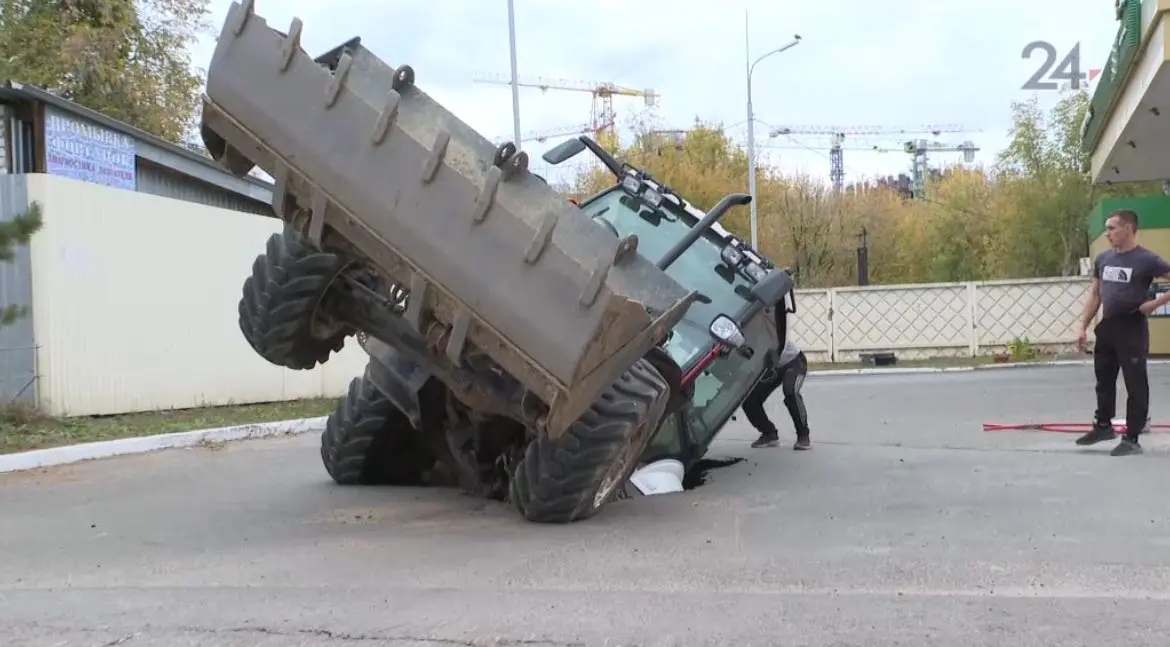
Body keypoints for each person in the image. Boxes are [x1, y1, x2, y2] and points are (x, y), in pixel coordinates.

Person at [1074, 208, 1170, 456]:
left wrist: (1153, 304)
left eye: (1112, 228)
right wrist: (1083, 326)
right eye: (1107, 228)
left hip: (1132, 327)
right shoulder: (1104, 259)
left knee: (1135, 383)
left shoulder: (1147, 260)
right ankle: (1103, 426)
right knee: (1103, 380)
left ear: (1129, 228)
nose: (1108, 233)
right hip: (1108, 327)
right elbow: (1095, 294)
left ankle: (1132, 438)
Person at [742, 301, 811, 450]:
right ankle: (769, 433)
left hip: (794, 362)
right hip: (773, 368)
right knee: (749, 401)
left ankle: (803, 435)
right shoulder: (746, 336)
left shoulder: (766, 326)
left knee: (790, 391)